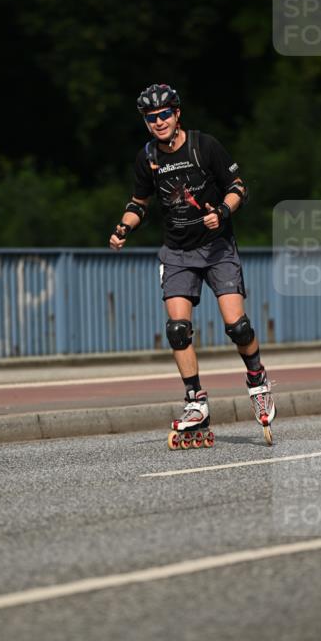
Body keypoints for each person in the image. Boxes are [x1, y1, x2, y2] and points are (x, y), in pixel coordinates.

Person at [109, 83, 275, 445]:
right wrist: (123, 227)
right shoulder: (147, 157)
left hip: (217, 249)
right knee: (177, 330)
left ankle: (257, 378)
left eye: (164, 115)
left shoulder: (204, 146)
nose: (158, 122)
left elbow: (239, 187)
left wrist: (223, 211)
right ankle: (195, 401)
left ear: (177, 114)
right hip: (177, 253)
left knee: (238, 327)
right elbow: (139, 203)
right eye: (151, 118)